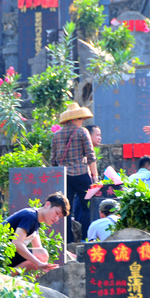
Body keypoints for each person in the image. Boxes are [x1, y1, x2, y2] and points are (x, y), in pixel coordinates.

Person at [51, 102, 98, 242]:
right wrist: (95, 176)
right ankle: (86, 237)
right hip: (81, 174)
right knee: (87, 206)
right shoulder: (82, 132)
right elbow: (90, 155)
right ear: (75, 119)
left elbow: (53, 160)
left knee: (66, 209)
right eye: (80, 119)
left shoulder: (56, 135)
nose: (82, 121)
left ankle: (68, 240)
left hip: (64, 176)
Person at [4, 192, 70, 272]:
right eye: (56, 213)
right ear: (47, 205)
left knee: (41, 256)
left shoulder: (36, 221)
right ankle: (4, 276)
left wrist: (48, 267)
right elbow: (16, 243)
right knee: (41, 255)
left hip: (7, 254)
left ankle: (6, 276)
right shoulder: (30, 216)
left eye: (59, 217)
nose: (56, 218)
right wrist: (39, 263)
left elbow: (38, 249)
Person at [73, 124, 103, 223]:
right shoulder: (85, 151)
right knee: (86, 208)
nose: (100, 138)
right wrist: (95, 178)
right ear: (89, 136)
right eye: (97, 135)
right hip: (84, 182)